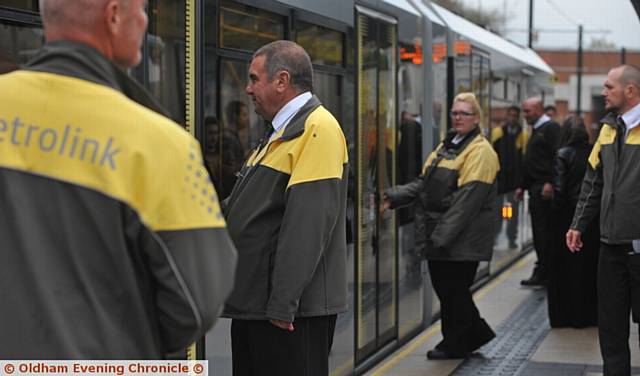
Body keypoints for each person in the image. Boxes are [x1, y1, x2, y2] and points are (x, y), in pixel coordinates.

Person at [0, 0, 237, 358]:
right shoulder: (161, 145)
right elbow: (196, 302)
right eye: (141, 9)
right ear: (112, 15)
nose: (145, 21)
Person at [222, 40, 349, 376]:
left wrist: (283, 303)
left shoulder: (318, 130)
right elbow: (243, 205)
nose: (247, 89)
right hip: (257, 306)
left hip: (288, 315)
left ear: (281, 80)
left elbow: (307, 225)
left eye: (253, 79)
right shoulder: (279, 134)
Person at [383, 93, 499, 360]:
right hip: (442, 234)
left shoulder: (481, 151)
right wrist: (394, 196)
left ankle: (455, 343)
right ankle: (471, 336)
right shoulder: (448, 145)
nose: (458, 118)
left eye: (464, 113)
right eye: (455, 113)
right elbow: (425, 182)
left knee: (453, 292)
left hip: (460, 238)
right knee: (450, 292)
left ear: (477, 118)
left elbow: (466, 202)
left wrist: (440, 238)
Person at [567, 64, 640, 375]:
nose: (603, 92)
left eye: (609, 87)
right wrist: (577, 224)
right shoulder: (608, 128)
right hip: (610, 246)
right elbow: (593, 181)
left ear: (630, 90)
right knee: (610, 327)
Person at [547, 116, 598, 328]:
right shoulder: (594, 151)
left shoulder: (562, 154)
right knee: (588, 268)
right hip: (591, 218)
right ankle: (587, 314)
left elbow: (559, 191)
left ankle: (566, 315)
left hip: (567, 219)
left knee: (565, 269)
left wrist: (554, 213)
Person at [516, 97, 561, 286]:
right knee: (539, 232)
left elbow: (557, 156)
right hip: (535, 188)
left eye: (528, 111)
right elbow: (533, 160)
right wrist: (523, 186)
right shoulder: (536, 130)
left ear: (539, 109)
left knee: (543, 233)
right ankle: (543, 270)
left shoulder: (550, 129)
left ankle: (546, 272)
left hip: (544, 190)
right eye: (524, 111)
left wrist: (551, 182)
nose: (525, 115)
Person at [491, 105, 527, 249]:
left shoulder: (522, 135)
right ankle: (494, 236)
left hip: (514, 181)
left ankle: (512, 238)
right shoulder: (498, 133)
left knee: (512, 213)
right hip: (499, 180)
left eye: (515, 115)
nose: (512, 118)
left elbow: (523, 159)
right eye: (510, 115)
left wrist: (521, 182)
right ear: (507, 116)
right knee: (497, 211)